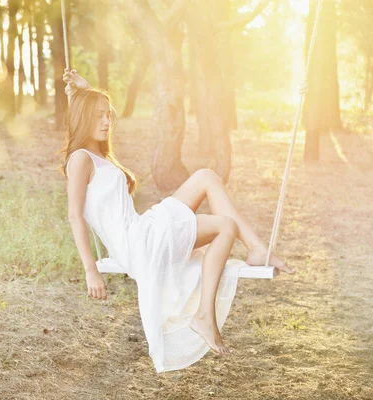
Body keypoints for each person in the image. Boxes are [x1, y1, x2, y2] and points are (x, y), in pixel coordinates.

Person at [61, 68, 296, 370]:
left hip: (143, 229)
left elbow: (87, 111)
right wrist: (90, 270)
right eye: (99, 117)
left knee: (207, 177)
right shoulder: (81, 159)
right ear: (84, 119)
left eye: (108, 115)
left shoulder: (97, 156)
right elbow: (74, 215)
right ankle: (204, 316)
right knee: (225, 226)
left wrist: (83, 88)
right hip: (139, 244)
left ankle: (256, 248)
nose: (107, 121)